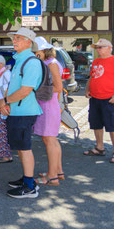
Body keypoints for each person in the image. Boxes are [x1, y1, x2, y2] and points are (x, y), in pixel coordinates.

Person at [0, 28, 42, 199]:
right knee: (21, 148)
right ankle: (26, 178)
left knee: (25, 148)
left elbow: (25, 91)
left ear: (28, 42)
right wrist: (3, 101)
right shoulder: (20, 60)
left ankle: (29, 186)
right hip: (17, 110)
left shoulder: (31, 62)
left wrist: (6, 101)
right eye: (14, 38)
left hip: (24, 111)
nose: (14, 41)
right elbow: (13, 87)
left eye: (18, 38)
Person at [83, 38, 114, 164]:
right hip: (95, 98)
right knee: (96, 124)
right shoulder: (96, 61)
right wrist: (87, 89)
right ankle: (100, 148)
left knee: (112, 126)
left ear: (109, 48)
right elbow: (92, 77)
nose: (98, 49)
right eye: (97, 47)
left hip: (109, 99)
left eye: (101, 47)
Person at [32, 37, 65, 184]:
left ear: (42, 50)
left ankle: (52, 177)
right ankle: (58, 171)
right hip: (48, 105)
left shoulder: (51, 64)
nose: (34, 53)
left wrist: (35, 90)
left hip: (48, 105)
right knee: (51, 140)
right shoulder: (48, 62)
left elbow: (58, 87)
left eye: (36, 51)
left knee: (49, 140)